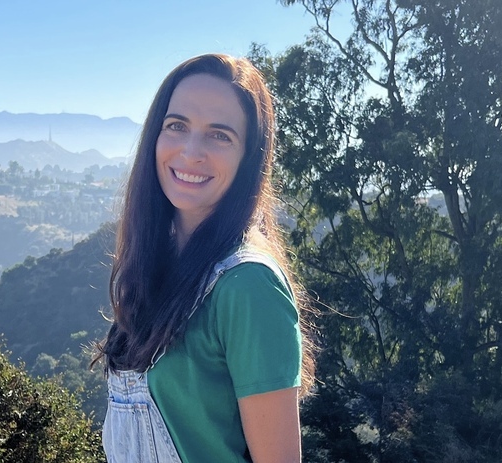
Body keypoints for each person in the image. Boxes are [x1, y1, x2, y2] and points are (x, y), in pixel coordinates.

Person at [93, 53, 316, 462]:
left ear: (248, 157)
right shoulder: (154, 262)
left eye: (219, 135)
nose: (191, 151)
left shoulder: (249, 285)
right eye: (177, 126)